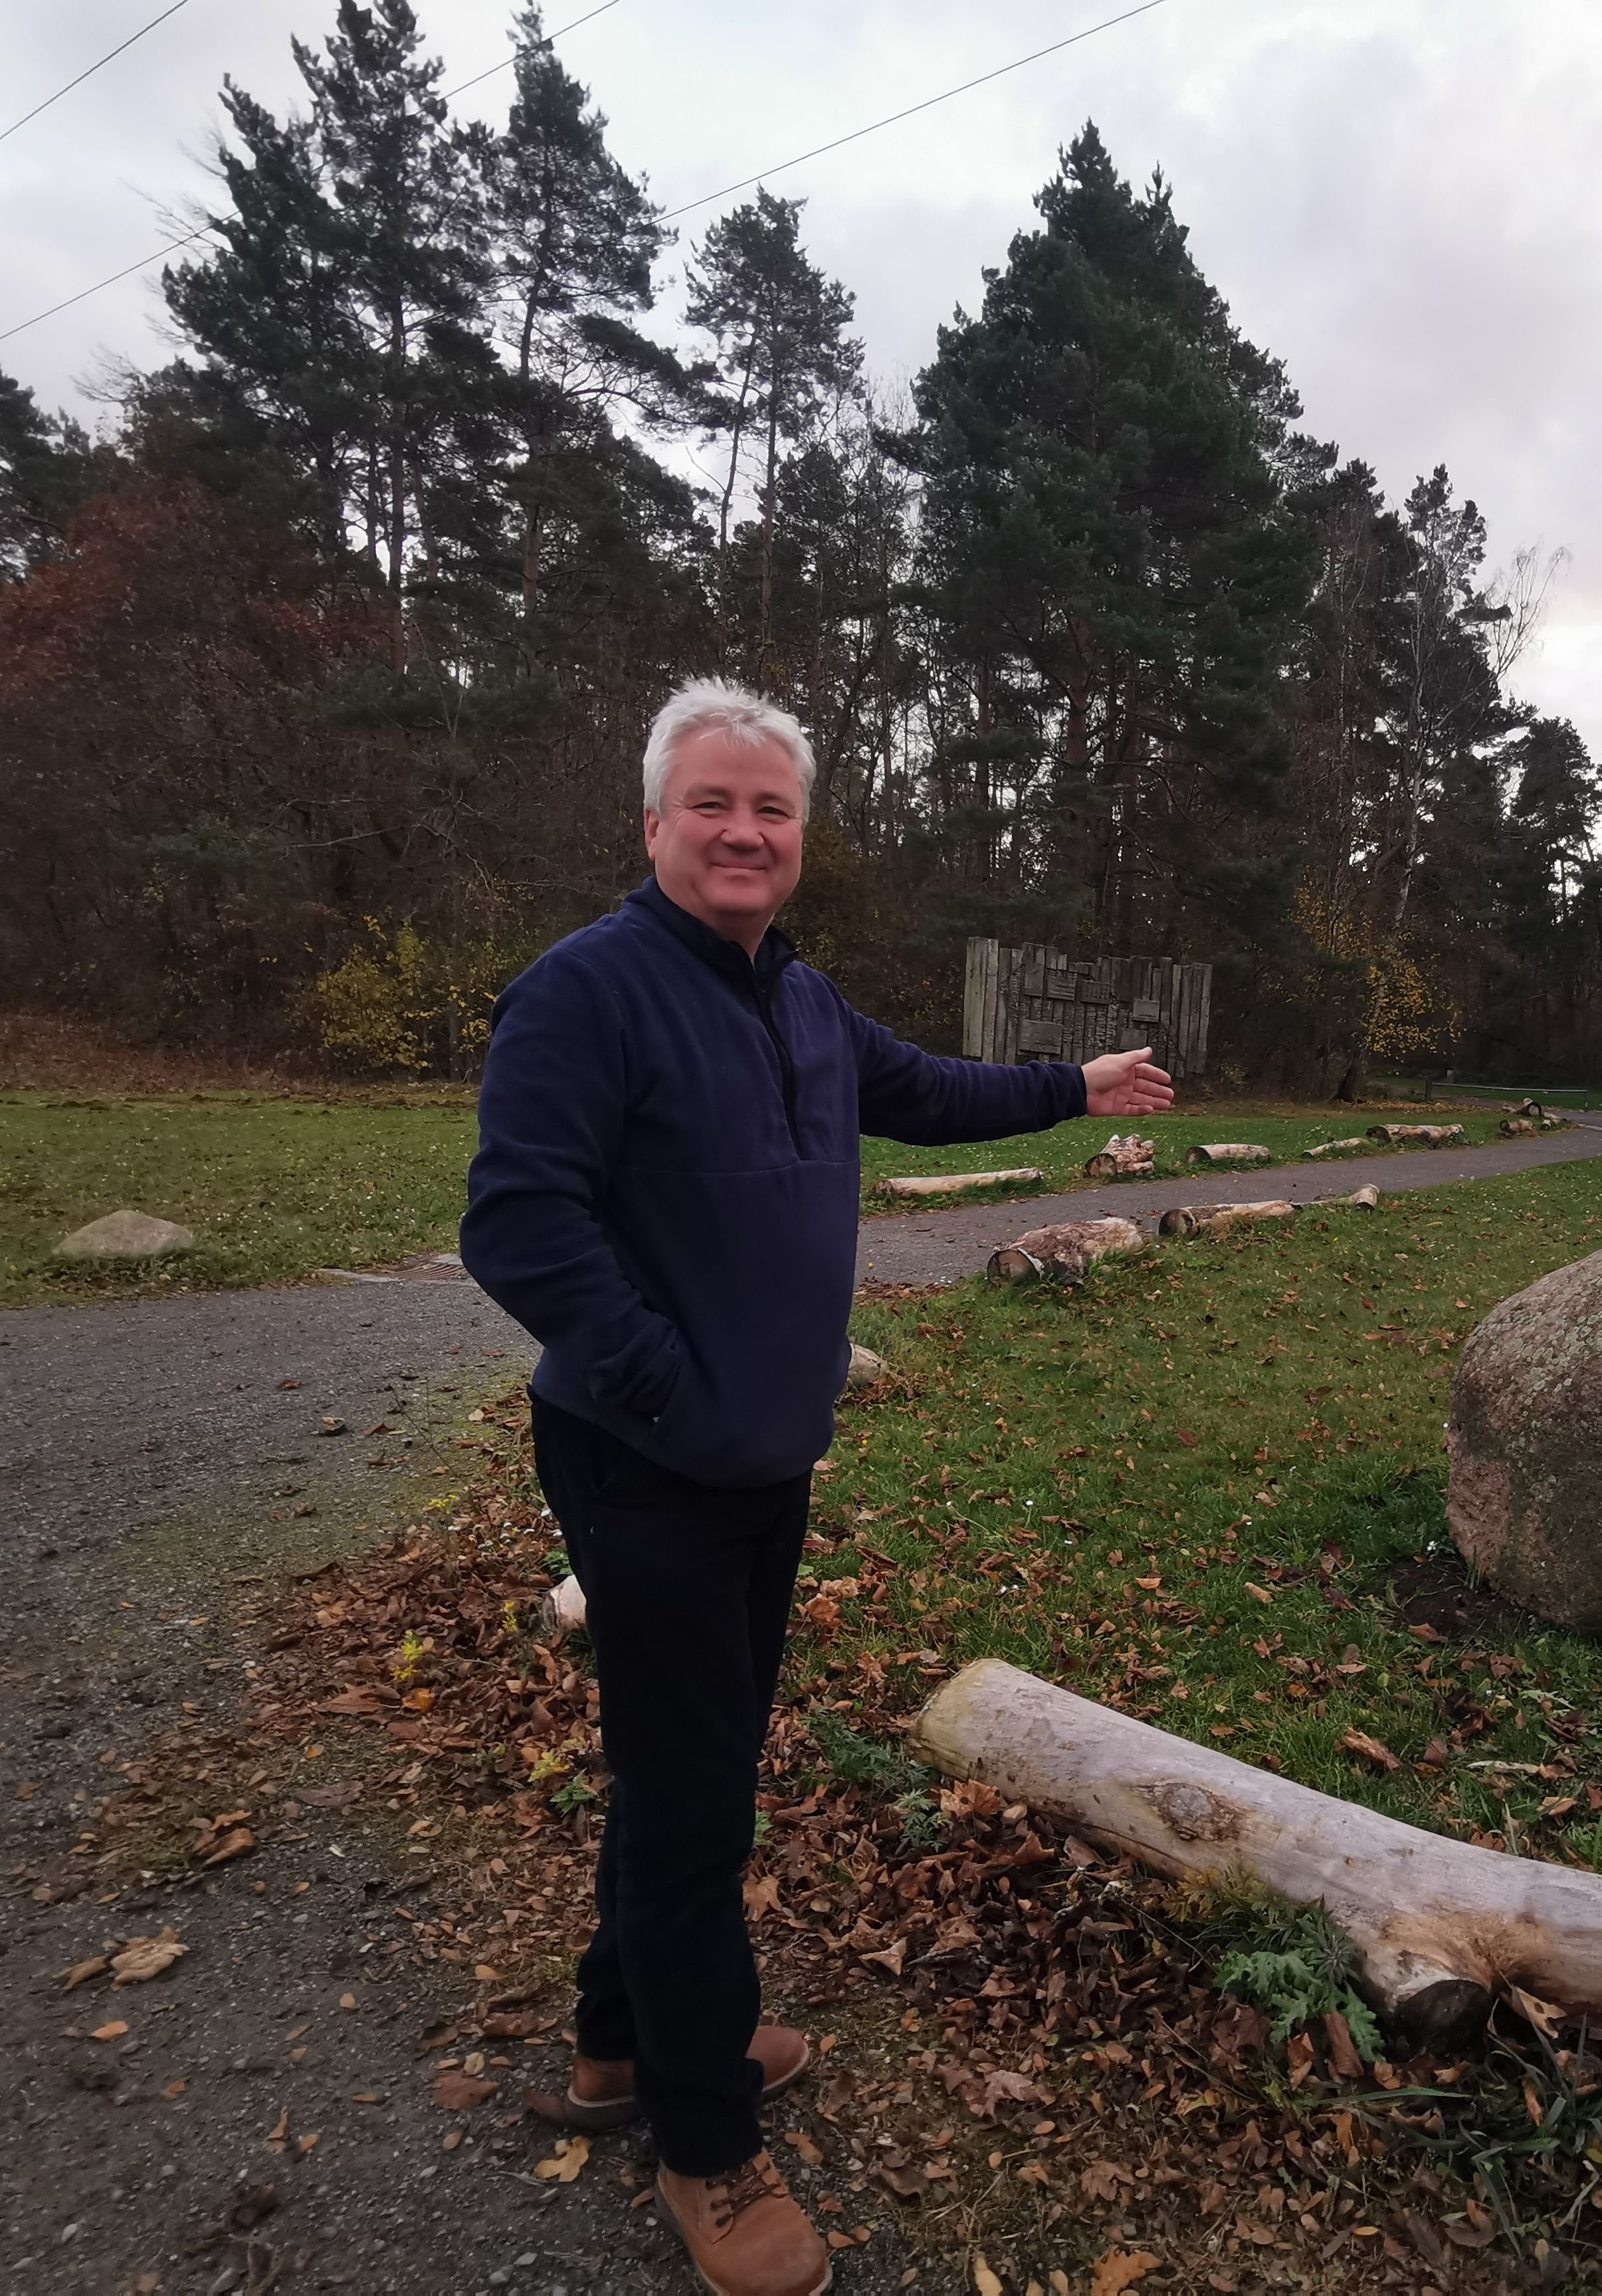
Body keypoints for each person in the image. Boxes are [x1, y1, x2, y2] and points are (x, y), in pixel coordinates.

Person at [462, 678, 1171, 2296]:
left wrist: (1076, 1084)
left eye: (770, 809)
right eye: (712, 803)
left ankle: (616, 2045)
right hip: (647, 1465)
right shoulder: (584, 995)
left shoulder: (799, 1000)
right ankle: (705, 2143)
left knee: (680, 1770)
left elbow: (920, 1090)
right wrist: (670, 1392)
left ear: (800, 840)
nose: (743, 830)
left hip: (762, 1460)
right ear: (654, 824)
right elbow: (519, 1224)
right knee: (699, 1802)